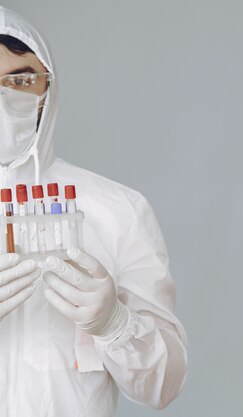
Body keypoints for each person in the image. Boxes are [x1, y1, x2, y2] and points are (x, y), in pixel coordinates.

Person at [0, 6, 188, 416]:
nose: (3, 96)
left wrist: (117, 325)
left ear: (46, 90)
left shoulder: (117, 209)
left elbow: (165, 386)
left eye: (20, 79)